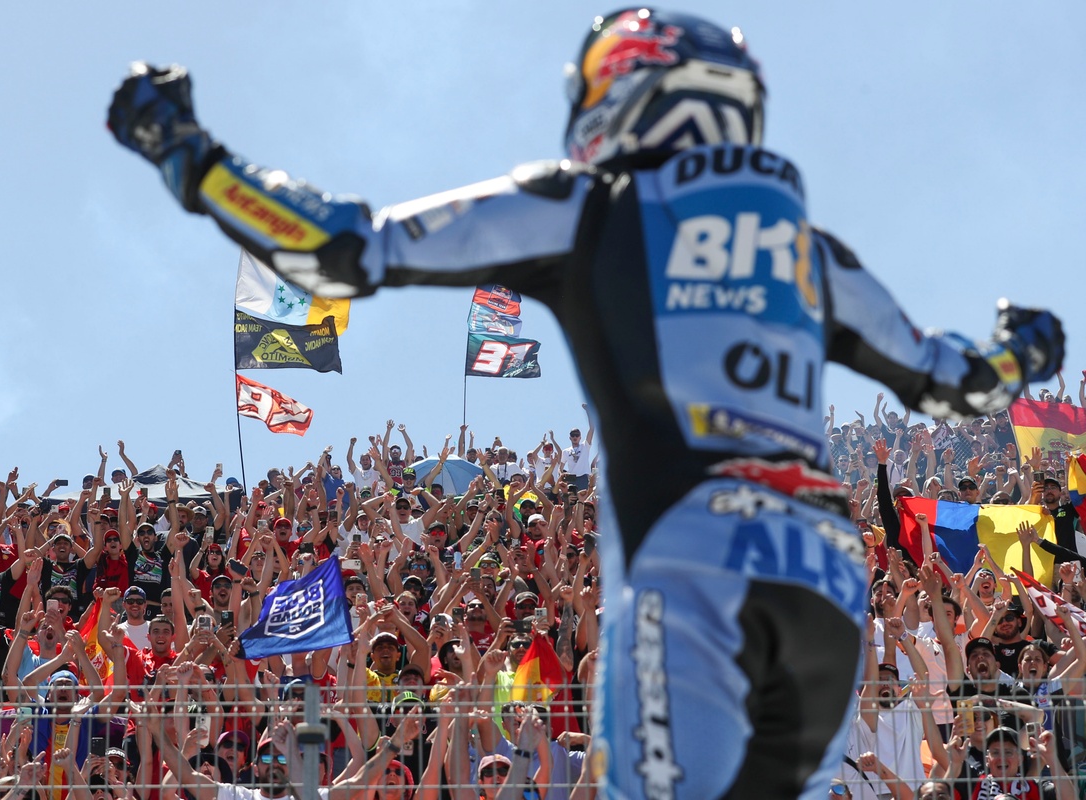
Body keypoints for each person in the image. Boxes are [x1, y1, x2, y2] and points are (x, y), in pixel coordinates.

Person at [107, 8, 1065, 797]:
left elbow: (343, 246)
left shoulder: (594, 200)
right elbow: (958, 380)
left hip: (693, 565)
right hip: (824, 580)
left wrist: (192, 158)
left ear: (624, 87)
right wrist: (1025, 347)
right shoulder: (811, 253)